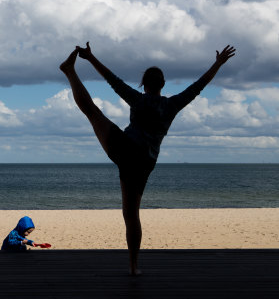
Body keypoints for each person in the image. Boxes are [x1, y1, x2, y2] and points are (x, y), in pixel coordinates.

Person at [60, 42, 235, 275]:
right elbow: (198, 86)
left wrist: (91, 59)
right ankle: (133, 267)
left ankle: (70, 72)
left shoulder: (138, 99)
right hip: (144, 163)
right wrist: (218, 64)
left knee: (92, 112)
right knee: (132, 215)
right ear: (163, 84)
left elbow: (112, 79)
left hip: (124, 149)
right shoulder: (172, 104)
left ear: (144, 85)